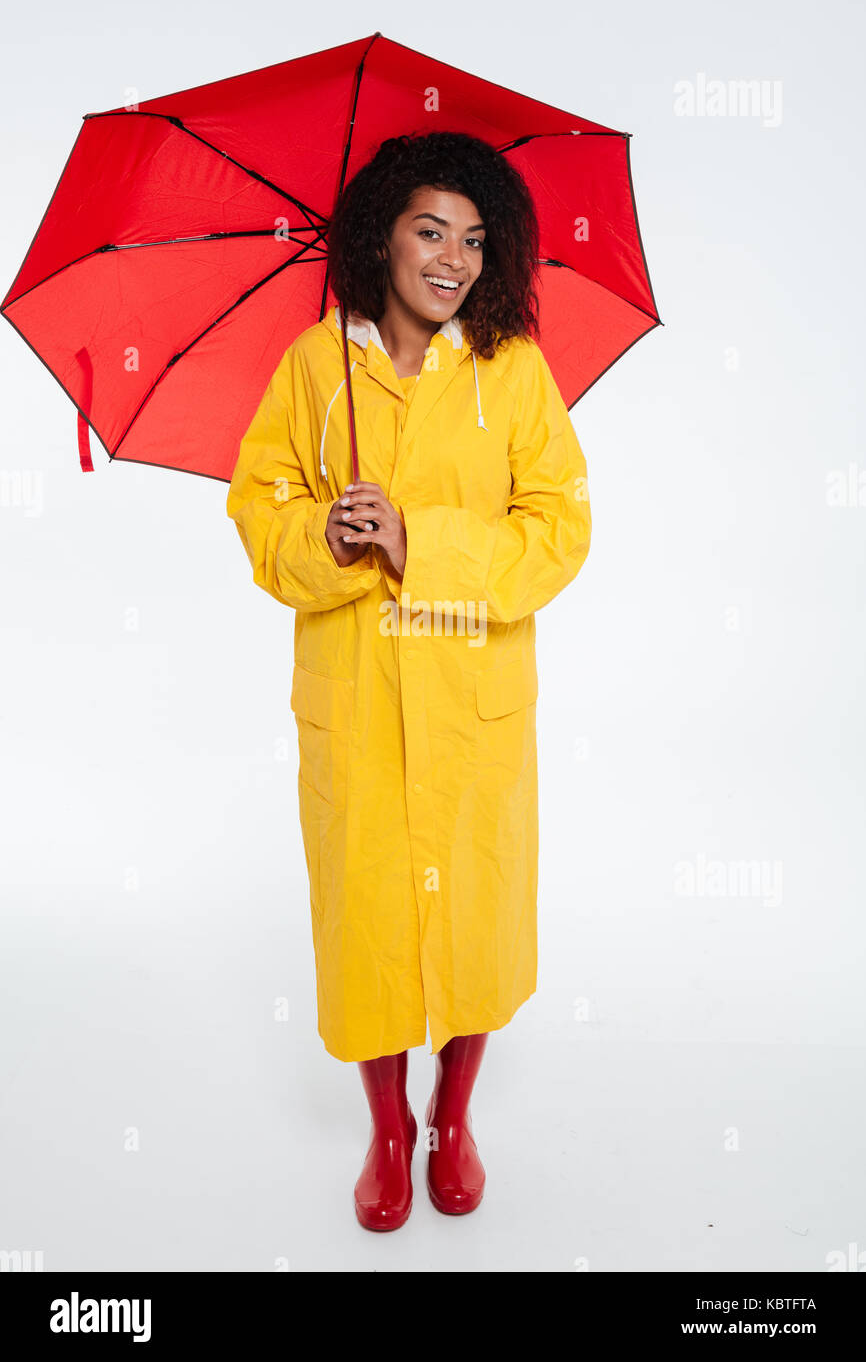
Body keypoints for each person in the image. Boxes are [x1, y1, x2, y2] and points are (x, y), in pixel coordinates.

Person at [226, 131, 592, 1231]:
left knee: (474, 913)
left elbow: (560, 527)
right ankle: (388, 1129)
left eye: (474, 239)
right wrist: (325, 540)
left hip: (472, 699)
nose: (452, 259)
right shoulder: (310, 368)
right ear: (377, 232)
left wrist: (416, 541)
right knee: (370, 922)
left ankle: (451, 1113)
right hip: (354, 698)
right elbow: (258, 512)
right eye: (429, 229)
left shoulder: (510, 369)